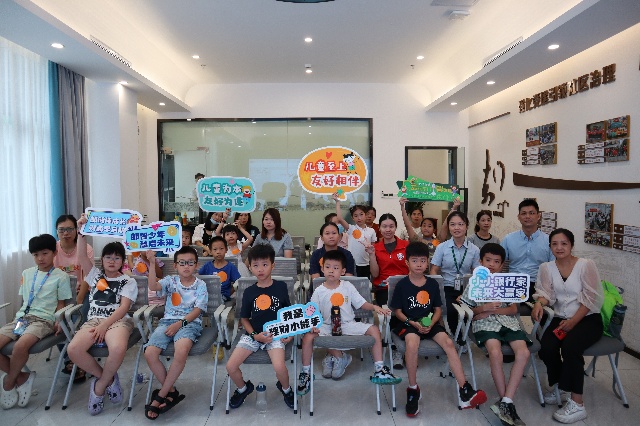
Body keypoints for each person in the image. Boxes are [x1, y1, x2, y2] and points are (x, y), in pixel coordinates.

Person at [390, 241, 486, 417]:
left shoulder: (432, 284)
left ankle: (465, 388)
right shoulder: (402, 285)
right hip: (409, 323)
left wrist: (432, 323)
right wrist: (413, 323)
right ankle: (413, 389)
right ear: (407, 262)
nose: (419, 264)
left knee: (449, 343)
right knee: (412, 343)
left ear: (428, 262)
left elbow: (438, 310)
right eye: (414, 261)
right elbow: (397, 311)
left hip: (431, 323)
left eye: (422, 261)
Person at [297, 250, 400, 394]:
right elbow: (312, 312)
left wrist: (375, 307)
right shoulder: (319, 290)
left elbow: (361, 303)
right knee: (308, 336)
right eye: (328, 267)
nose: (331, 271)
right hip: (326, 326)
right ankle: (306, 373)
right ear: (322, 269)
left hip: (348, 324)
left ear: (343, 271)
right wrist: (313, 325)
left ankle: (379, 369)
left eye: (336, 268)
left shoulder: (347, 286)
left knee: (374, 330)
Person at [67, 214, 138, 416]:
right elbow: (82, 257)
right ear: (102, 259)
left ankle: (98, 389)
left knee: (117, 348)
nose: (112, 261)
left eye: (117, 258)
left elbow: (124, 308)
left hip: (118, 321)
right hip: (93, 321)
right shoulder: (95, 275)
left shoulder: (128, 281)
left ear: (123, 261)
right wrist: (81, 232)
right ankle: (108, 380)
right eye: (108, 257)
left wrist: (105, 325)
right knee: (73, 350)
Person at [532, 229, 604, 424]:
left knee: (570, 347)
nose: (559, 247)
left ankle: (577, 403)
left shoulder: (585, 265)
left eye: (564, 243)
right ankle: (562, 387)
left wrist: (573, 322)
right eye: (554, 244)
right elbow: (546, 293)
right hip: (560, 317)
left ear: (571, 245)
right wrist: (539, 303)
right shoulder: (546, 267)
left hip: (587, 319)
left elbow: (591, 298)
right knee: (546, 347)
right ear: (550, 247)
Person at [460, 243, 530, 426]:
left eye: (496, 261)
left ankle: (506, 401)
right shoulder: (475, 283)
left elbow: (513, 309)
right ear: (480, 261)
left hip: (508, 322)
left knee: (524, 353)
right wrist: (483, 309)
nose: (491, 264)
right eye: (488, 260)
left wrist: (491, 311)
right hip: (485, 325)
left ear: (502, 265)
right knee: (495, 353)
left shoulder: (507, 282)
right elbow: (469, 310)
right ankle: (504, 401)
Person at [0, 234, 70, 409]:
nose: (40, 258)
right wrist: (18, 320)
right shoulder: (27, 273)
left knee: (20, 346)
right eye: (36, 254)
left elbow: (61, 303)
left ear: (54, 253)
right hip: (22, 319)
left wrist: (59, 319)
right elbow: (25, 300)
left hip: (43, 320)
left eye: (45, 253)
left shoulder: (61, 276)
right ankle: (21, 377)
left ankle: (9, 383)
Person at [225, 244, 295, 410]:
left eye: (265, 264)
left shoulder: (281, 287)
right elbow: (244, 319)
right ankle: (243, 388)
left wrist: (290, 332)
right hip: (253, 334)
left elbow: (289, 313)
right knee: (230, 366)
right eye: (255, 265)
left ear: (273, 265)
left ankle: (286, 389)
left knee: (279, 366)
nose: (260, 269)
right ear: (250, 267)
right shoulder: (249, 291)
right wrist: (254, 335)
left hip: (276, 333)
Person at [143, 247, 207, 419]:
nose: (186, 266)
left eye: (190, 263)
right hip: (167, 322)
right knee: (149, 352)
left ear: (196, 265)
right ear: (175, 265)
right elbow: (153, 286)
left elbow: (198, 310)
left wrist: (180, 324)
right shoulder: (170, 281)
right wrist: (151, 262)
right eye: (182, 263)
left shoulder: (200, 285)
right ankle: (171, 391)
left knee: (181, 351)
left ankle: (161, 395)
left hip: (189, 323)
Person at [53, 214, 94, 382]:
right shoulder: (53, 249)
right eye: (62, 230)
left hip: (82, 292)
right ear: (57, 231)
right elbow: (51, 277)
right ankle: (69, 360)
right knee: (58, 320)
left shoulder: (85, 248)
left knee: (79, 317)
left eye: (70, 229)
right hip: (59, 295)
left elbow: (87, 276)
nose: (66, 233)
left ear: (76, 230)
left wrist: (79, 299)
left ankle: (80, 358)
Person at [430, 211, 480, 335]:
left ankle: (464, 335)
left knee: (470, 311)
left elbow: (477, 274)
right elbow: (434, 270)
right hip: (446, 288)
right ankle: (455, 337)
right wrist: (435, 289)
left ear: (467, 226)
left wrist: (467, 294)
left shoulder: (474, 250)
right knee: (451, 310)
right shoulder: (442, 247)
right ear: (448, 227)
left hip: (466, 289)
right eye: (452, 224)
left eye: (460, 224)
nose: (456, 228)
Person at [501, 200, 554, 302]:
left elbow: (553, 268)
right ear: (518, 217)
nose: (527, 216)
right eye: (524, 213)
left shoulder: (548, 241)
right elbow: (499, 263)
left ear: (538, 216)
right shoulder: (508, 239)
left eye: (531, 213)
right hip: (513, 284)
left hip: (539, 287)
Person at [333, 194, 377, 277]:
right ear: (353, 218)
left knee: (364, 283)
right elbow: (340, 219)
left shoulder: (371, 231)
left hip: (366, 264)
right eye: (356, 216)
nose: (359, 218)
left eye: (361, 214)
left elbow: (373, 249)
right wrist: (337, 202)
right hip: (352, 263)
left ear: (366, 215)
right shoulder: (351, 229)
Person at [198, 236, 241, 303]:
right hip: (207, 295)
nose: (218, 252)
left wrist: (228, 293)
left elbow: (238, 282)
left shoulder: (230, 267)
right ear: (210, 251)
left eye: (221, 249)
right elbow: (198, 278)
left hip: (223, 297)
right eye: (215, 249)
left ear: (226, 250)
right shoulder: (207, 266)